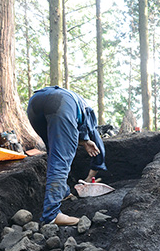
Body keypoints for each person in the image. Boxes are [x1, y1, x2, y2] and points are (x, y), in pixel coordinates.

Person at [27, 85, 107, 226]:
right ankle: (51, 215)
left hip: (35, 102)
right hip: (61, 103)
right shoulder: (88, 113)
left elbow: (76, 135)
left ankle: (62, 192)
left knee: (54, 151)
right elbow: (99, 148)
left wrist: (84, 141)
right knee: (60, 160)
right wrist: (89, 177)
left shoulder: (79, 106)